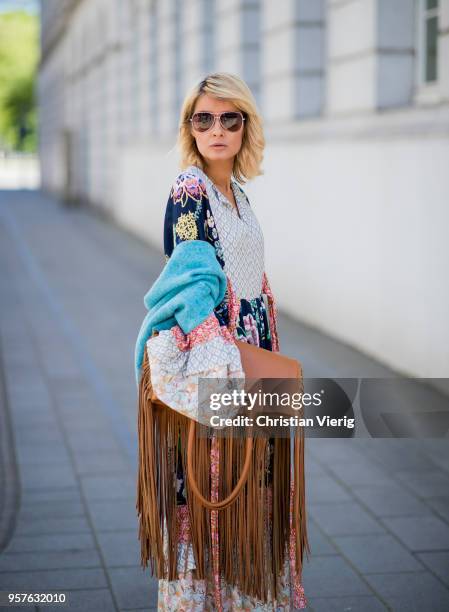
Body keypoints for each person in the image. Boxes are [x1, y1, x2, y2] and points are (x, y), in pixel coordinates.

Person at [144, 72, 308, 610]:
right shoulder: (189, 188)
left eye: (229, 118)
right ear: (191, 128)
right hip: (216, 352)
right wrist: (223, 357)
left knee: (252, 480)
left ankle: (242, 594)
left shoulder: (236, 190)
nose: (216, 129)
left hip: (249, 345)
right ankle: (209, 598)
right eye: (203, 119)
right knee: (210, 483)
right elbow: (189, 279)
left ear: (244, 126)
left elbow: (250, 271)